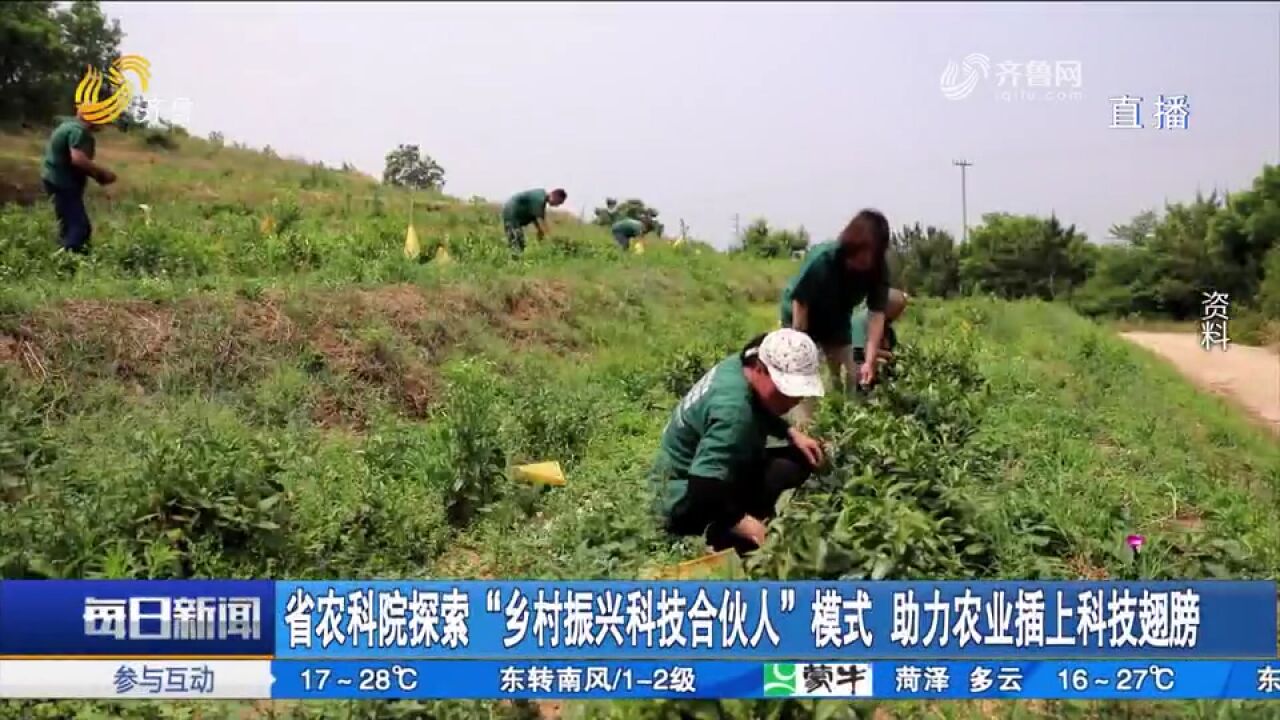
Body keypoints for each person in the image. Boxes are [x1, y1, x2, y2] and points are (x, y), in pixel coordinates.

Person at [651, 329, 827, 556]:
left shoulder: (739, 366)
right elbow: (702, 488)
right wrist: (744, 524)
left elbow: (760, 407)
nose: (795, 400)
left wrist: (790, 431)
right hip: (683, 499)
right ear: (760, 369)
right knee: (782, 477)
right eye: (786, 390)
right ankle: (717, 534)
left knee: (799, 458)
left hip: (693, 477)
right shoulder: (734, 413)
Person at [778, 209, 892, 412]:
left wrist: (869, 361)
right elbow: (801, 302)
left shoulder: (877, 269)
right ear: (853, 243)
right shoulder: (824, 259)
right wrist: (801, 347)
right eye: (864, 251)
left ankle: (845, 418)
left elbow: (876, 315)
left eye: (873, 253)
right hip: (802, 314)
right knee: (804, 375)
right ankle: (806, 427)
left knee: (851, 372)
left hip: (837, 318)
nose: (867, 259)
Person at [41, 106, 116, 254]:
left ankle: (70, 258)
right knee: (80, 228)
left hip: (53, 179)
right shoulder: (79, 132)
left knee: (68, 225)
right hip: (63, 183)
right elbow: (78, 159)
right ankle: (64, 260)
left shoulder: (68, 126)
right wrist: (101, 174)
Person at [851, 289, 909, 367]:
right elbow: (859, 351)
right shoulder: (860, 320)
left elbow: (891, 346)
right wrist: (889, 355)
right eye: (900, 310)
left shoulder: (886, 326)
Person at [501, 187, 567, 254]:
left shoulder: (541, 199)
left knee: (519, 242)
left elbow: (539, 225)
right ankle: (513, 260)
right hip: (512, 213)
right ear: (555, 197)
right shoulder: (539, 199)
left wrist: (541, 238)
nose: (557, 205)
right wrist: (551, 239)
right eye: (558, 202)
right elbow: (540, 222)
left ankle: (516, 258)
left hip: (514, 213)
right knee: (517, 241)